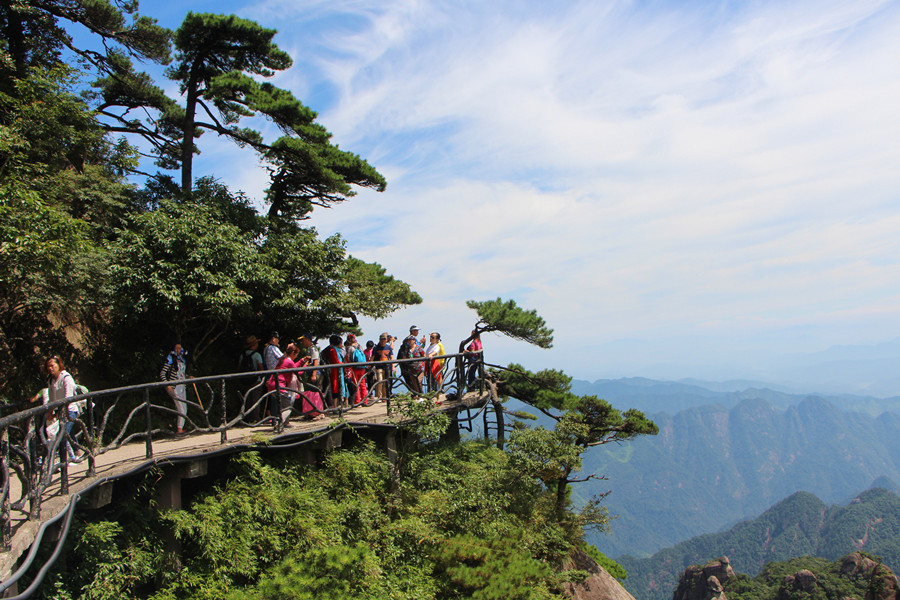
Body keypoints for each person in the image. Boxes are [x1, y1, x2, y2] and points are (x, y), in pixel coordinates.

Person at [30, 355, 83, 462]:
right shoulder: (51, 380)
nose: (50, 368)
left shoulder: (66, 378)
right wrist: (51, 412)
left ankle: (55, 461)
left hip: (70, 410)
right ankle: (77, 453)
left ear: (58, 365)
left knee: (62, 434)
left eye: (52, 365)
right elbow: (52, 398)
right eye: (48, 366)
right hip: (61, 410)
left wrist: (57, 414)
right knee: (68, 432)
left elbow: (68, 398)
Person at [266, 342, 301, 428]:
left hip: (272, 384)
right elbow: (297, 372)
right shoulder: (288, 361)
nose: (295, 357)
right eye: (296, 355)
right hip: (279, 385)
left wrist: (302, 361)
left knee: (281, 405)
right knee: (288, 406)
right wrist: (306, 366)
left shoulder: (282, 359)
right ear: (293, 353)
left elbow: (293, 367)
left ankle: (284, 423)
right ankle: (279, 424)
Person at [160, 343, 189, 434]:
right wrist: (167, 384)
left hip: (182, 385)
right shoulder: (171, 359)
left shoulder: (182, 360)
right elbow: (162, 373)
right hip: (174, 386)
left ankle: (181, 428)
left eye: (180, 348)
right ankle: (179, 429)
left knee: (184, 407)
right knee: (181, 408)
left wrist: (188, 377)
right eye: (177, 348)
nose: (179, 350)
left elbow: (181, 374)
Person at [239, 335, 265, 421]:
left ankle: (246, 418)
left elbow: (239, 367)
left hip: (245, 380)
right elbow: (261, 369)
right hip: (255, 380)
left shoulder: (243, 355)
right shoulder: (257, 355)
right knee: (255, 400)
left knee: (246, 400)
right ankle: (255, 419)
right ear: (254, 345)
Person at [321, 335, 347, 407]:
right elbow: (336, 361)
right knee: (336, 388)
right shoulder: (333, 350)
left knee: (340, 386)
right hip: (335, 372)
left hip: (339, 371)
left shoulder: (336, 350)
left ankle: (339, 405)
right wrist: (344, 364)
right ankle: (335, 405)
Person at [344, 338, 368, 405]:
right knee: (363, 385)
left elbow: (348, 358)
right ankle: (365, 401)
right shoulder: (360, 347)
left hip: (354, 368)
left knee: (356, 385)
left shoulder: (350, 348)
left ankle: (357, 401)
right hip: (362, 367)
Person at [372, 333, 394, 400]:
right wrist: (371, 365)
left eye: (384, 339)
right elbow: (372, 358)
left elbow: (391, 357)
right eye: (382, 339)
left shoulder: (388, 347)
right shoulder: (376, 348)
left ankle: (385, 396)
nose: (383, 341)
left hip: (387, 367)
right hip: (379, 367)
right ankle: (379, 396)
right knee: (380, 380)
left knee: (385, 382)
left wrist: (393, 366)